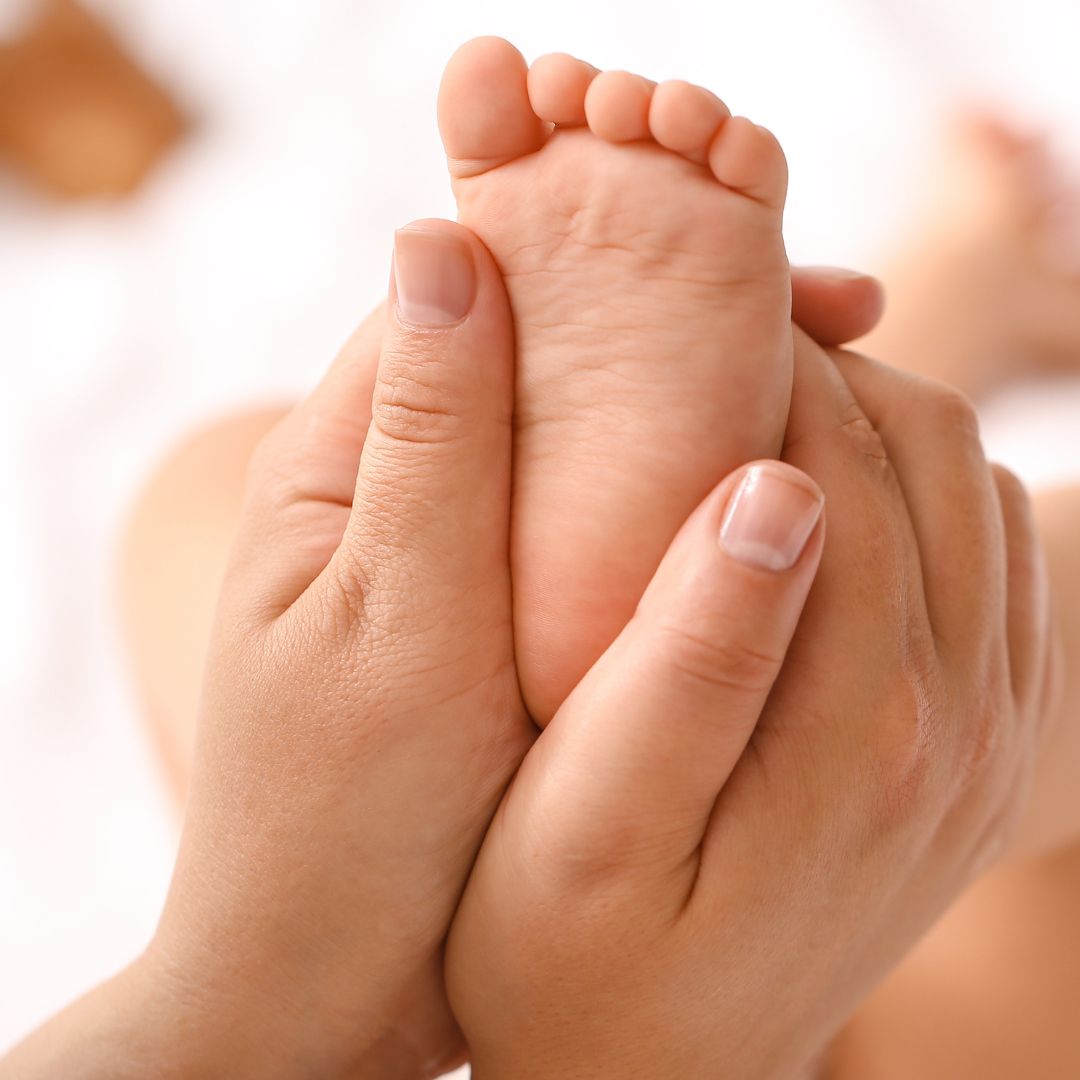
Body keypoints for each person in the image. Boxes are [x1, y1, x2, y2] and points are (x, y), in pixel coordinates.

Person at [13, 36, 1076, 1076]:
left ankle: (563, 738)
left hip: (322, 952)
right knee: (869, 611)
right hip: (795, 1005)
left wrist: (262, 973)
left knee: (212, 495)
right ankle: (712, 683)